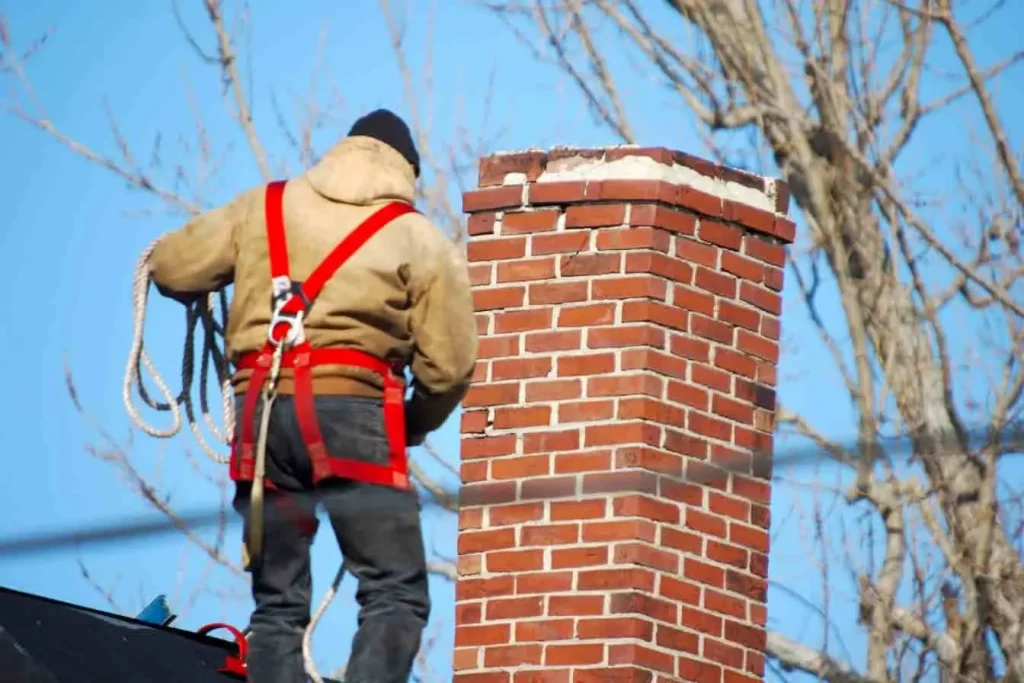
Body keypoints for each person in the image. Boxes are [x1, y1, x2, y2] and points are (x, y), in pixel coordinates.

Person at [147, 109, 478, 683]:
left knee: (277, 604)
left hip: (263, 417)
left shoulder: (263, 207)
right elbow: (449, 367)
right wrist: (414, 421)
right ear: (406, 172)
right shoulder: (416, 235)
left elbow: (173, 267)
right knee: (394, 591)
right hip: (353, 416)